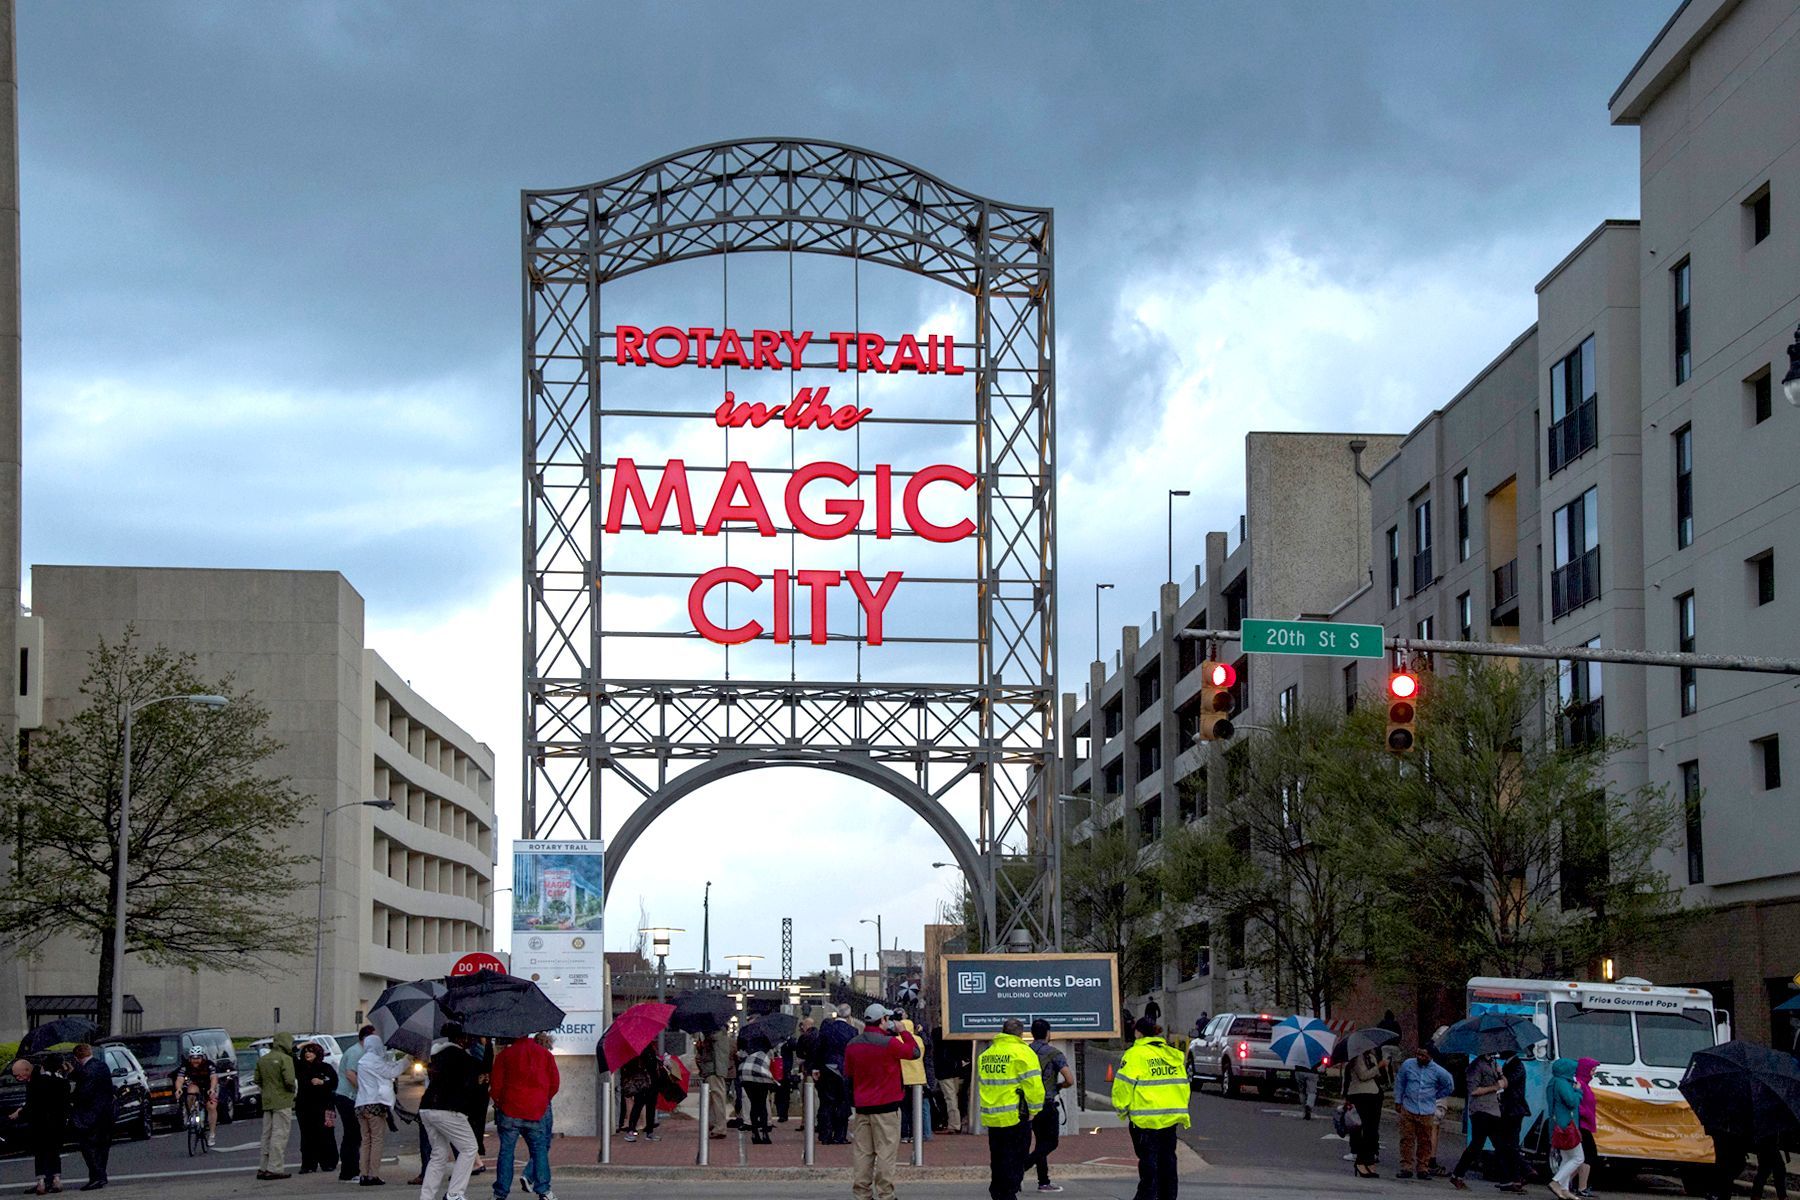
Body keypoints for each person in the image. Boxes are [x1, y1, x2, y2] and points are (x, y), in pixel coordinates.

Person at [842, 1003, 921, 1200]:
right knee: (886, 1151)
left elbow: (849, 1074)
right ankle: (886, 1193)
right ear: (883, 1020)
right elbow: (914, 1053)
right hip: (887, 1105)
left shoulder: (853, 1044)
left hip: (862, 1106)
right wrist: (904, 1032)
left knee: (863, 1152)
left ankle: (861, 1192)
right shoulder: (889, 1043)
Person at [1112, 1016, 1189, 1200]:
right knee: (1168, 1165)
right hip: (1170, 1119)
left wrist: (1122, 1110)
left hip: (1145, 1121)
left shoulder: (1135, 1054)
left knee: (1149, 1168)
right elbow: (1183, 1085)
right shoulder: (1171, 1054)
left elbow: (1123, 1085)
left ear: (1138, 1032)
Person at [980, 1018, 1044, 1200]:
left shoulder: (987, 1054)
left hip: (992, 1116)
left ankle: (998, 1192)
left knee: (998, 1159)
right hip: (1016, 1116)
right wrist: (1034, 1110)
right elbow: (1034, 1086)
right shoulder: (1023, 1053)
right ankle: (1007, 1194)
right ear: (1020, 1034)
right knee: (1016, 1159)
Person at [490, 1032, 560, 1200]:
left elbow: (496, 1084)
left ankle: (500, 1193)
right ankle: (544, 1190)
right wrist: (543, 1100)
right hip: (535, 1110)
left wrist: (499, 1103)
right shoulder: (545, 1054)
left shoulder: (505, 1055)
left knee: (506, 1152)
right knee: (539, 1151)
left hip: (510, 1110)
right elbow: (555, 1083)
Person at [419, 1023, 481, 1200]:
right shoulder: (459, 1056)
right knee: (469, 1148)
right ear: (461, 1039)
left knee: (438, 1154)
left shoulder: (436, 1054)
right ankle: (455, 1193)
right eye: (468, 1038)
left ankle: (426, 1197)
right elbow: (477, 1073)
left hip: (427, 1108)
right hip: (448, 1109)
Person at [353, 1033, 409, 1186]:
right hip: (375, 1104)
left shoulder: (363, 1060)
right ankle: (373, 1175)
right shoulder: (375, 1060)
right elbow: (392, 1072)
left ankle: (363, 1174)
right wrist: (407, 1060)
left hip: (360, 1104)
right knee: (377, 1140)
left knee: (366, 1141)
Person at [1027, 1018, 1074, 1194]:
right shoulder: (1054, 1053)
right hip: (1047, 1104)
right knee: (1050, 1142)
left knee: (1039, 1142)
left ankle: (1043, 1180)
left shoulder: (1025, 1052)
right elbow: (1070, 1079)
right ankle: (1023, 1167)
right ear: (1048, 1033)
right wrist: (1059, 1086)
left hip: (1028, 1104)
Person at [1392, 1046, 1453, 1181]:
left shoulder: (1438, 1071)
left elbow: (1449, 1085)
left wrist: (1436, 1095)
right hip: (1409, 1107)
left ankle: (1423, 1168)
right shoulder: (1408, 1065)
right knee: (1406, 1139)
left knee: (1425, 1141)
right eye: (1418, 1054)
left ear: (1430, 1057)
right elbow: (1400, 1082)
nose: (1420, 1057)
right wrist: (1398, 1100)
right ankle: (1406, 1167)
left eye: (1424, 1056)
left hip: (1426, 1110)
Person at [1448, 1051, 1506, 1189]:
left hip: (1493, 1109)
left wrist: (1501, 1073)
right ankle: (1457, 1174)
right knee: (1477, 1145)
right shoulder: (1476, 1066)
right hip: (1480, 1110)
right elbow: (1473, 1090)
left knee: (1500, 1144)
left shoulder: (1493, 1064)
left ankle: (1509, 1178)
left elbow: (1504, 1084)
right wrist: (1494, 1087)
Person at [68, 1043, 114, 1192]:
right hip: (106, 1112)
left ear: (76, 1057)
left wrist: (71, 1097)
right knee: (102, 1146)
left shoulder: (88, 1071)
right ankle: (99, 1175)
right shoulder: (102, 1066)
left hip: (90, 1113)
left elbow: (84, 1093)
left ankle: (98, 1176)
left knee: (89, 1146)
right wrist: (73, 1073)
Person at [253, 1031, 298, 1180]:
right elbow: (290, 1080)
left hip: (267, 1100)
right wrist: (291, 1092)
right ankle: (275, 1168)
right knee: (280, 1134)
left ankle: (263, 1166)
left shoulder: (263, 1059)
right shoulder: (285, 1059)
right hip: (282, 1100)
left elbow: (257, 1079)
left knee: (266, 1134)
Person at [294, 1041, 340, 1176]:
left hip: (325, 1106)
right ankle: (308, 1164)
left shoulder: (326, 1067)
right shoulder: (301, 1067)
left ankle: (328, 1163)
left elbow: (334, 1083)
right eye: (306, 1051)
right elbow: (290, 1053)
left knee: (326, 1135)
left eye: (311, 1051)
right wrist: (304, 1044)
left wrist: (322, 1082)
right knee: (307, 1136)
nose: (308, 1053)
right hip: (305, 1107)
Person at [27, 1053, 70, 1195]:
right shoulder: (63, 1083)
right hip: (57, 1122)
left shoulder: (36, 1082)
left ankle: (40, 1182)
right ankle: (56, 1179)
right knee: (54, 1151)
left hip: (39, 1121)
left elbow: (31, 1103)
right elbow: (66, 1103)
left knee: (40, 1152)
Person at [815, 1005, 857, 1145]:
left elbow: (819, 1049)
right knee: (843, 1103)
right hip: (844, 1069)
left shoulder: (827, 1030)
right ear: (849, 1016)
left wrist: (816, 1067)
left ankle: (825, 1134)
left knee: (827, 1102)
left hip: (827, 1067)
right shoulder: (852, 1031)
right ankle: (840, 1135)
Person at [337, 1025, 375, 1183]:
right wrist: (365, 1088)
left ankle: (350, 1170)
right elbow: (350, 1074)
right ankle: (349, 1172)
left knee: (354, 1135)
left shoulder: (362, 1052)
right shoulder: (356, 1052)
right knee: (352, 1135)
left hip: (351, 1097)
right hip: (347, 1097)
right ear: (366, 1038)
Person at [1491, 1048, 1531, 1193]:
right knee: (1506, 1143)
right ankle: (1513, 1176)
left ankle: (1522, 1172)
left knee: (1510, 1143)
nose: (1499, 1053)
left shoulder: (1517, 1065)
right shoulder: (1511, 1064)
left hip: (1513, 1110)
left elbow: (1508, 1083)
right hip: (1510, 1109)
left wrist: (1500, 1072)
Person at [1545, 1057, 1584, 1200]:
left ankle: (1564, 1189)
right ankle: (1556, 1182)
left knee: (1567, 1158)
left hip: (1558, 1126)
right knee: (1579, 1158)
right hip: (1567, 1126)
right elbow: (1571, 1101)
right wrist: (1578, 1092)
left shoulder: (1553, 1082)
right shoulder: (1563, 1083)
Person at [1343, 1047, 1385, 1178]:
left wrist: (1381, 1067)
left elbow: (1376, 1075)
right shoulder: (1356, 1058)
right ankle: (1361, 1161)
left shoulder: (1371, 1057)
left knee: (1373, 1131)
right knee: (1364, 1130)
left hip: (1375, 1095)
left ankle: (1370, 1160)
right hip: (1361, 1096)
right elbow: (1363, 1075)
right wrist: (1378, 1066)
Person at [896, 1013, 933, 1145]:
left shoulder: (897, 1040)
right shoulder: (919, 1040)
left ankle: (904, 1134)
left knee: (904, 1109)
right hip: (918, 1077)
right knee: (917, 1109)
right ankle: (917, 1133)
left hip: (904, 1078)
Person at [175, 1045, 219, 1148]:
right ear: (190, 1058)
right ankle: (192, 1113)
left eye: (198, 1058)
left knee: (211, 1107)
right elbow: (180, 1079)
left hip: (208, 1086)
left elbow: (213, 1078)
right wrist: (178, 1089)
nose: (196, 1061)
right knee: (191, 1092)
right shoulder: (185, 1065)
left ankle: (212, 1134)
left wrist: (212, 1089)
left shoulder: (209, 1065)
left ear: (202, 1057)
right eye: (193, 1058)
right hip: (195, 1084)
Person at [736, 1034, 777, 1145]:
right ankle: (764, 1133)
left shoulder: (747, 1044)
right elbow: (771, 1061)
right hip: (761, 1075)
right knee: (762, 1104)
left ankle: (755, 1134)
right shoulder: (768, 1048)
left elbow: (740, 1055)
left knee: (753, 1104)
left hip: (745, 1075)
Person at [934, 1025, 971, 1134]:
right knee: (956, 1096)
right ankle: (958, 1121)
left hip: (945, 1070)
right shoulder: (957, 1032)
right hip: (956, 1068)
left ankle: (954, 1124)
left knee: (950, 1098)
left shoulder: (938, 1033)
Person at [619, 1045, 660, 1142]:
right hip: (642, 1083)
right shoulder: (636, 1051)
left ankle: (649, 1131)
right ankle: (632, 1130)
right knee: (638, 1105)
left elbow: (653, 1064)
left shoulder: (650, 1048)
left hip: (651, 1082)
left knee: (650, 1107)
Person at [696, 1029, 731, 1140]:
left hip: (714, 1069)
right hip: (710, 1069)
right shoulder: (712, 1035)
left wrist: (704, 1040)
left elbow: (713, 1039)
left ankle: (720, 1127)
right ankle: (712, 1123)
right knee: (711, 1098)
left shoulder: (716, 1032)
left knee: (717, 1096)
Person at [1574, 1057, 1599, 1199]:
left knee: (1581, 1156)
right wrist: (1586, 1113)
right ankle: (1576, 1186)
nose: (1594, 1073)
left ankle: (1568, 1184)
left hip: (1585, 1124)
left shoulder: (1584, 1084)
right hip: (1581, 1124)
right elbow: (1576, 1103)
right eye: (1592, 1069)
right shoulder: (1580, 1084)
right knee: (1587, 1155)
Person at [1750, 1133, 1789, 1200]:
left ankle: (1756, 1195)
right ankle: (1782, 1196)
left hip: (1765, 1145)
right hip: (1768, 1146)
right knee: (1777, 1172)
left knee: (1764, 1172)